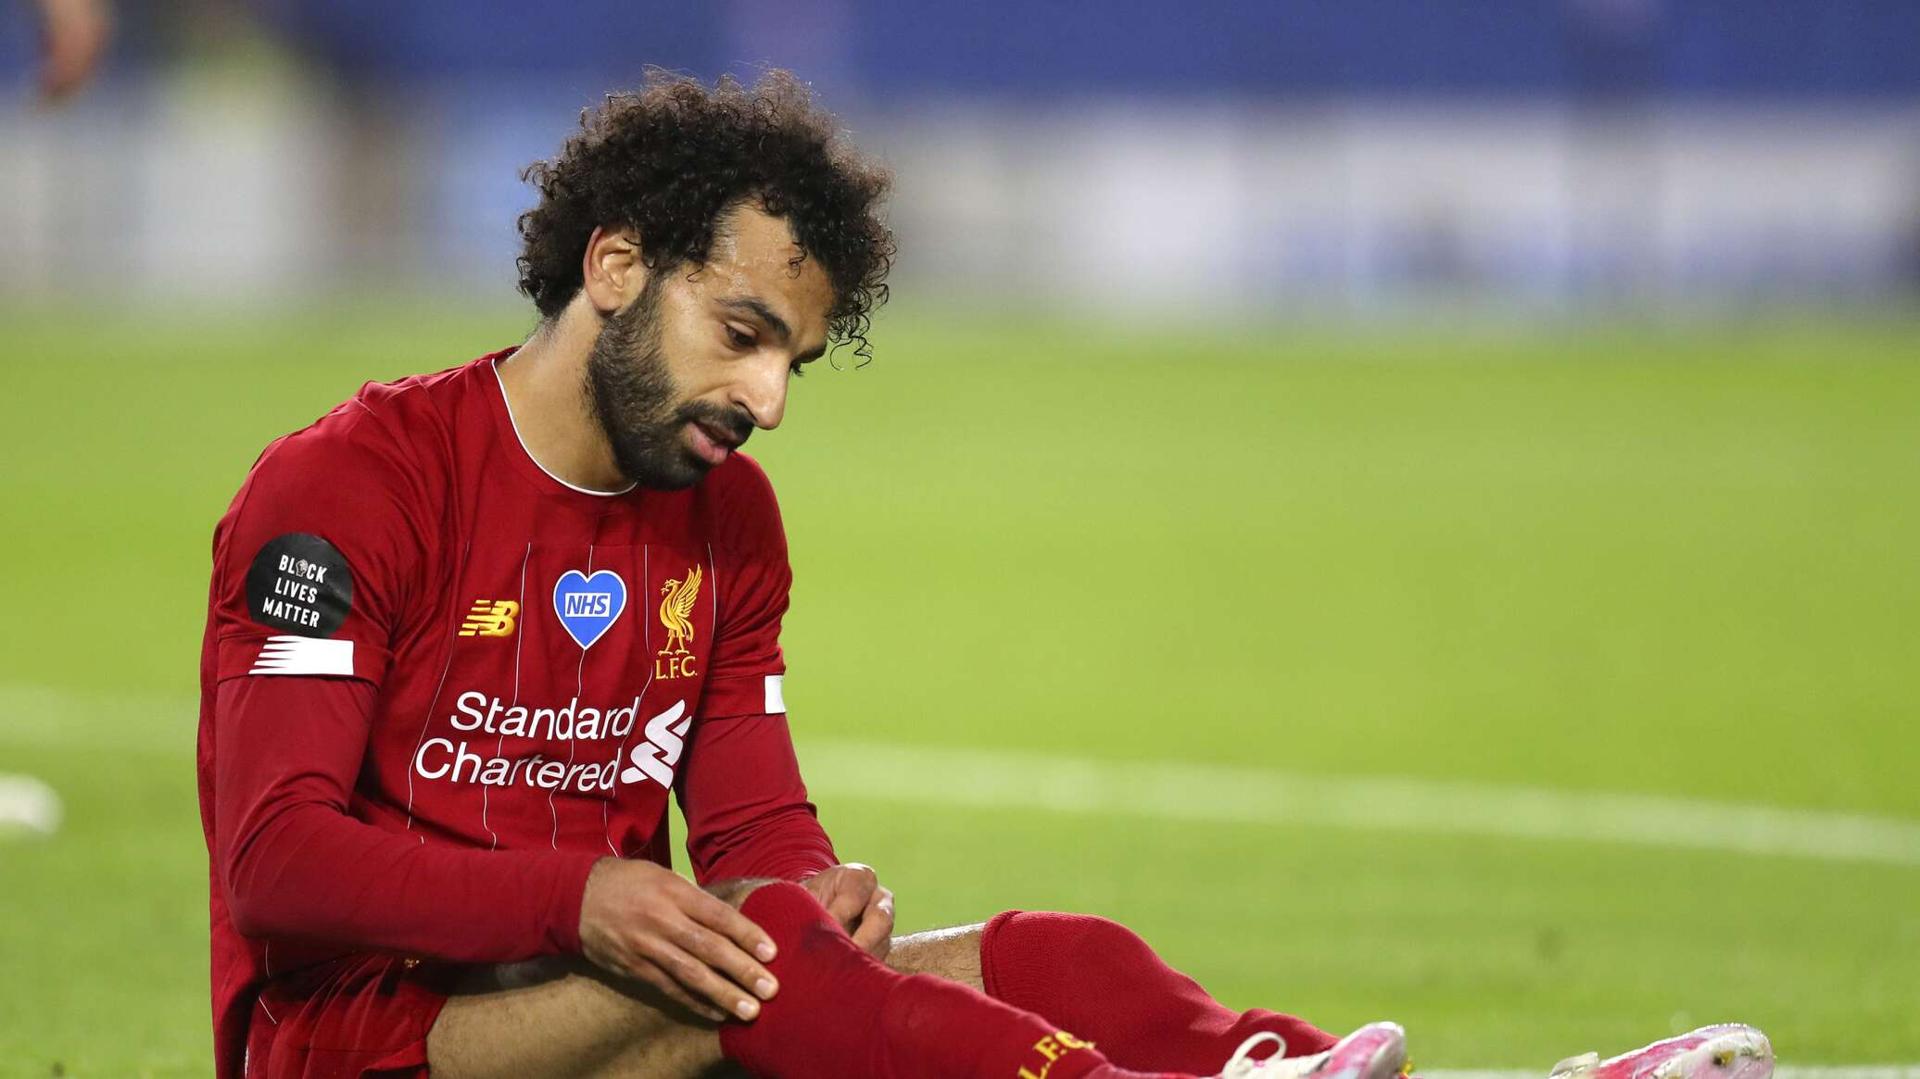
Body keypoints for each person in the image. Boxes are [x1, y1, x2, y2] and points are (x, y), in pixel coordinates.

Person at [197, 69, 1775, 1079]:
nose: (769, 400)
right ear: (615, 265)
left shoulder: (728, 524)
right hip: (374, 1043)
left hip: (619, 994)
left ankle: (1308, 1069)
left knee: (1055, 953)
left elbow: (753, 827)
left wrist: (818, 881)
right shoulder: (348, 490)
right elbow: (279, 864)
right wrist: (589, 897)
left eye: (796, 360)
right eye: (743, 336)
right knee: (768, 955)